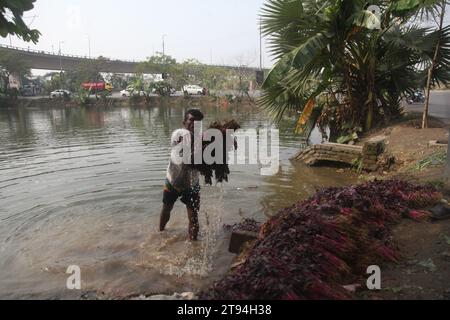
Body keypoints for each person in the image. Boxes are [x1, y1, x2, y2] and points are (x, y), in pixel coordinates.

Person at [159, 109, 204, 241]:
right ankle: (160, 234)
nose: (194, 124)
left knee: (193, 217)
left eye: (198, 123)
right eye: (191, 120)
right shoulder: (178, 135)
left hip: (192, 184)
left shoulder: (202, 140)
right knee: (166, 210)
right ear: (184, 122)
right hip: (173, 182)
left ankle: (194, 245)